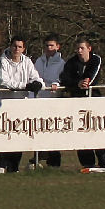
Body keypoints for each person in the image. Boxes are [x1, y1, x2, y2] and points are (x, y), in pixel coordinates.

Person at [59, 38, 105, 169]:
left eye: (82, 48)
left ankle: (103, 160)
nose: (79, 51)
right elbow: (64, 78)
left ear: (89, 49)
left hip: (94, 100)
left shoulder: (95, 59)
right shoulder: (71, 62)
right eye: (77, 48)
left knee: (97, 129)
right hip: (77, 102)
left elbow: (91, 77)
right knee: (81, 131)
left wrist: (84, 82)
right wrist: (77, 83)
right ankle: (87, 162)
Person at [0, 36, 43, 173]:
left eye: (20, 47)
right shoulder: (3, 61)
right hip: (6, 103)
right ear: (10, 46)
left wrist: (37, 83)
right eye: (15, 46)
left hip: (22, 104)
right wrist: (26, 85)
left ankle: (14, 166)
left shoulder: (27, 61)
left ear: (23, 49)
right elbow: (5, 82)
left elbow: (35, 77)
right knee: (6, 134)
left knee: (19, 135)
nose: (17, 49)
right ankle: (2, 164)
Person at [32, 33, 65, 168]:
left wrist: (57, 83)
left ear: (57, 46)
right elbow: (34, 77)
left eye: (51, 45)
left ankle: (54, 162)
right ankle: (37, 158)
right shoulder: (39, 61)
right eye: (46, 45)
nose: (49, 48)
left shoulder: (62, 63)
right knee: (38, 130)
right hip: (39, 101)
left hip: (53, 102)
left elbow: (62, 80)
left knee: (53, 131)